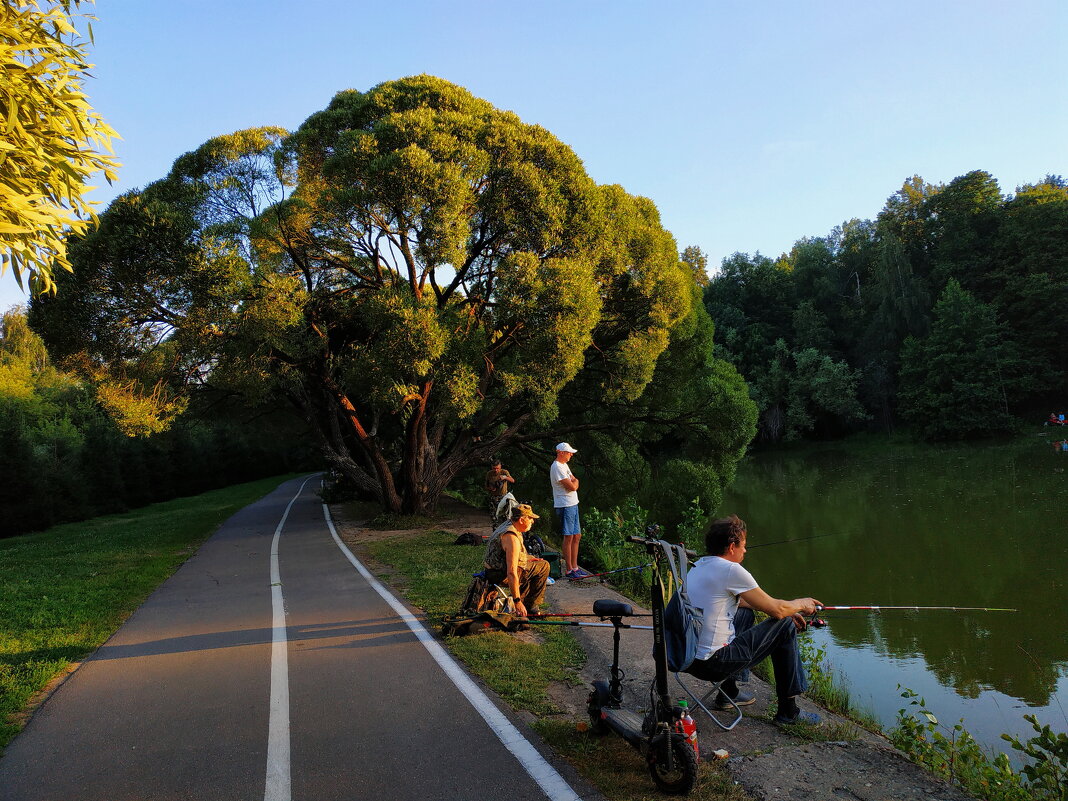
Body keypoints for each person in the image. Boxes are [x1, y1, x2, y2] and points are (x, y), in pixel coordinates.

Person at [682, 514, 824, 726]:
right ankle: (789, 712)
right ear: (732, 547)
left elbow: (743, 603)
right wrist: (801, 604)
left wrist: (782, 610)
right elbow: (778, 610)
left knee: (745, 613)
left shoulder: (699, 566)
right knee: (784, 625)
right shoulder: (731, 570)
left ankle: (728, 694)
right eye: (744, 546)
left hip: (687, 656)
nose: (745, 551)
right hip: (712, 664)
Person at [483, 503, 549, 619]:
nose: (532, 521)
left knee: (534, 564)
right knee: (544, 566)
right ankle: (529, 607)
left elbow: (513, 555)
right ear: (522, 520)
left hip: (493, 570)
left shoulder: (509, 525)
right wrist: (517, 601)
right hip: (500, 574)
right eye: (530, 518)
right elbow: (512, 572)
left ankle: (524, 603)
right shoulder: (511, 538)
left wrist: (529, 559)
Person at [550, 442, 589, 579]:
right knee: (569, 536)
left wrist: (575, 482)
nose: (571, 455)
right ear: (560, 452)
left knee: (576, 536)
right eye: (568, 452)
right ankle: (569, 569)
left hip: (573, 503)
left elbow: (574, 480)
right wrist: (575, 482)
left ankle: (575, 567)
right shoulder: (557, 467)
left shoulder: (564, 465)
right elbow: (572, 486)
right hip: (565, 505)